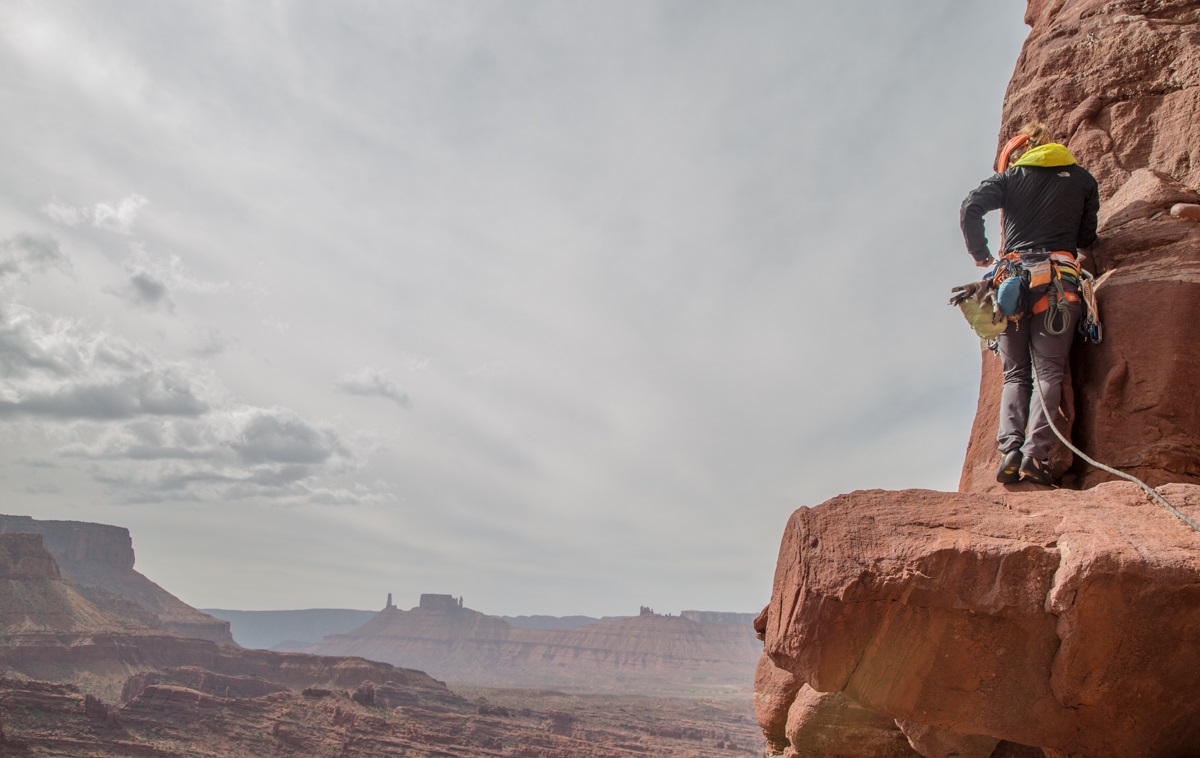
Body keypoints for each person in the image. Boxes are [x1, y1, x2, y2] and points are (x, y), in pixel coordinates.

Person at [958, 122, 1100, 485]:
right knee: (1048, 373)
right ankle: (1035, 458)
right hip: (1059, 284)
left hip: (1011, 286)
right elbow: (1087, 237)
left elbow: (970, 206)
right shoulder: (1083, 180)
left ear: (1018, 156)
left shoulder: (1009, 180)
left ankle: (1009, 449)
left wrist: (981, 254)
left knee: (1015, 374)